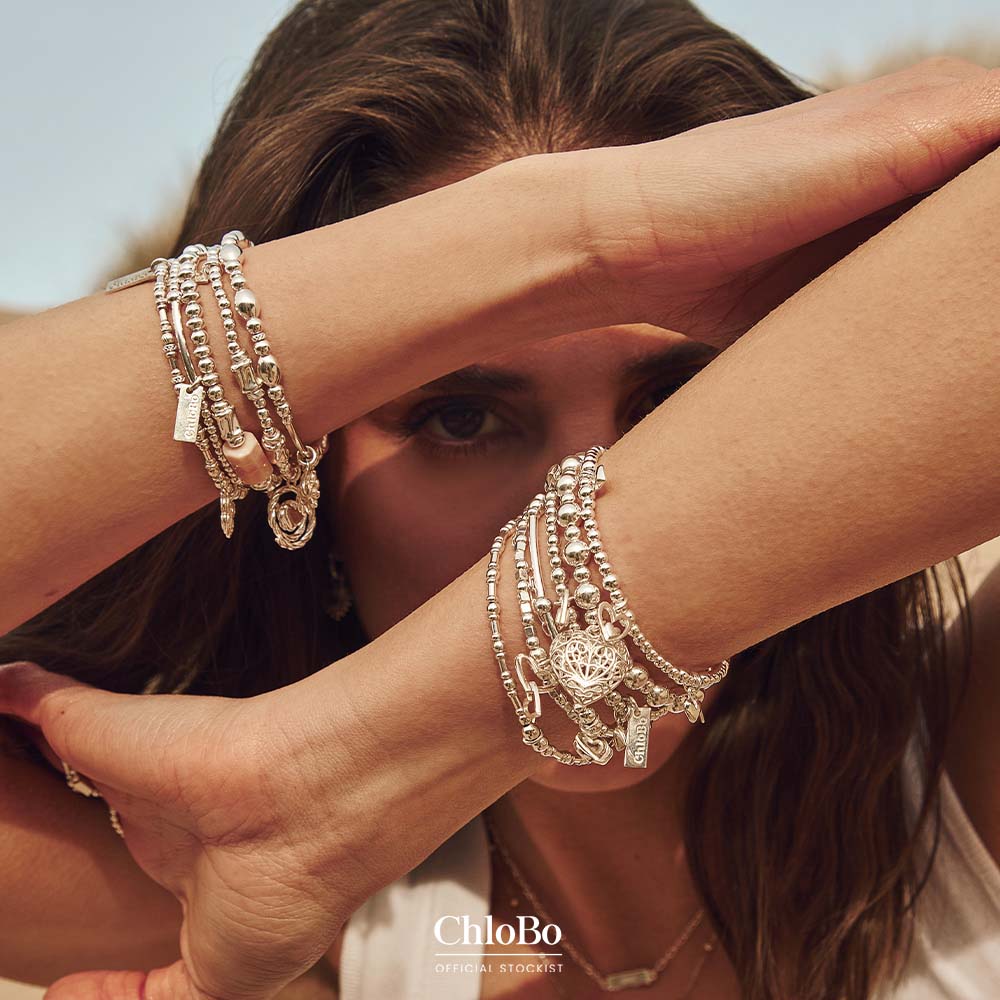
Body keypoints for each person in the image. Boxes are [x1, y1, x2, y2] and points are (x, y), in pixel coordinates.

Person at [2, 1, 1000, 998]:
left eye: (679, 405)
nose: (585, 496)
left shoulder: (964, 771)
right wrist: (590, 239)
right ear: (311, 490)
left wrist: (342, 769)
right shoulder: (289, 919)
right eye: (462, 418)